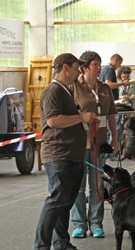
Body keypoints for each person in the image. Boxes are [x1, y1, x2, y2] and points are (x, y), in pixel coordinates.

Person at [34, 53, 97, 250]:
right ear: (65, 68)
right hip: (59, 154)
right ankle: (41, 245)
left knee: (65, 202)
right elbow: (53, 121)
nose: (80, 70)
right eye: (77, 66)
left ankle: (61, 243)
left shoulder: (66, 91)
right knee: (56, 200)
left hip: (72, 154)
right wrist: (82, 117)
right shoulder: (53, 92)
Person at [70, 50, 120, 239]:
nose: (99, 68)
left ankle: (96, 223)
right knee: (79, 185)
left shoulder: (105, 89)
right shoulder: (74, 87)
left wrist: (114, 139)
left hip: (100, 143)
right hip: (79, 144)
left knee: (97, 185)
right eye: (95, 65)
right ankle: (79, 224)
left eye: (100, 64)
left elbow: (111, 116)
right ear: (84, 67)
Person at [99, 54, 130, 148]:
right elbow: (109, 84)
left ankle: (110, 147)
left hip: (105, 101)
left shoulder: (104, 69)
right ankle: (115, 148)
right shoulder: (110, 69)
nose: (119, 66)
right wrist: (122, 84)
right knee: (116, 127)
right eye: (120, 63)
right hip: (111, 101)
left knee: (109, 127)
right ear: (115, 60)